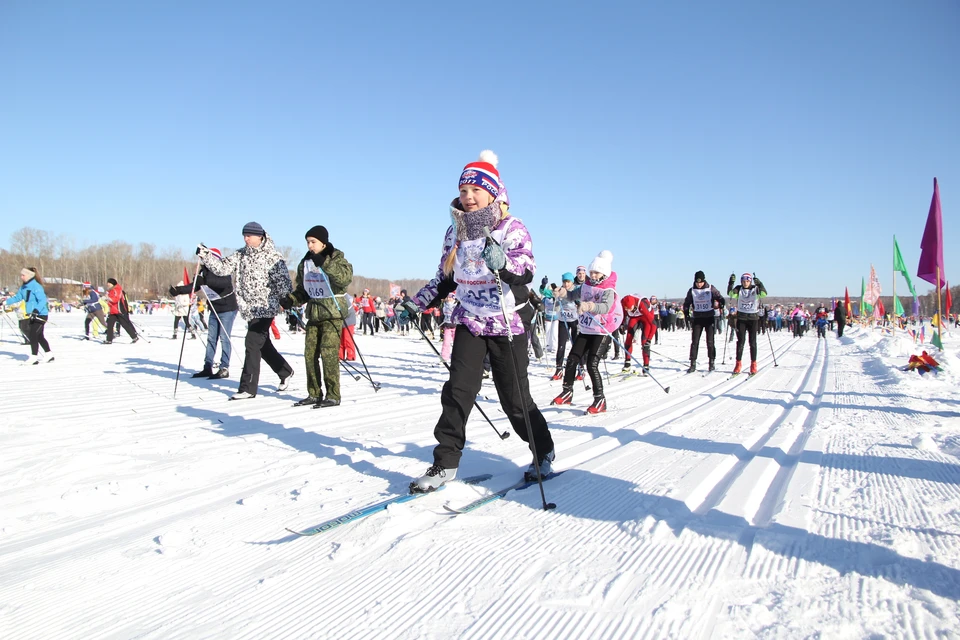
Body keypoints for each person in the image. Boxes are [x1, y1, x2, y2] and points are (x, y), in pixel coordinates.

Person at [407, 150, 555, 492]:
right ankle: (444, 463)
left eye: (475, 190)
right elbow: (445, 278)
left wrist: (503, 263)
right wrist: (416, 303)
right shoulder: (454, 232)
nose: (468, 197)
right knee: (458, 391)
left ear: (492, 193)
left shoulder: (511, 228)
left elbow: (525, 271)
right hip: (470, 321)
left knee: (515, 401)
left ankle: (543, 451)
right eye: (463, 191)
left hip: (506, 323)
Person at [198, 221, 294, 400]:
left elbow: (284, 284)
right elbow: (222, 268)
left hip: (266, 307)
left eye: (249, 235)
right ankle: (285, 371)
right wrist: (206, 255)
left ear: (260, 236)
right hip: (249, 308)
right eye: (244, 235)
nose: (246, 238)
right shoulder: (240, 255)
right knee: (262, 345)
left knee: (251, 342)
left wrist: (287, 301)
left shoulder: (272, 256)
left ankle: (247, 388)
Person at [283, 225, 353, 408]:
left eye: (313, 242)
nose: (310, 246)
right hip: (314, 314)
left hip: (333, 313)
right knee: (310, 354)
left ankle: (333, 395)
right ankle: (314, 393)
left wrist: (324, 262)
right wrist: (291, 300)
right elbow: (304, 290)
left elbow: (344, 279)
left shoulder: (337, 258)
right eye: (308, 242)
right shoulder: (305, 262)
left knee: (328, 353)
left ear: (323, 242)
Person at [551, 251, 622, 413]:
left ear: (604, 273)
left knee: (592, 364)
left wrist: (589, 306)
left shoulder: (608, 289)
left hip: (601, 330)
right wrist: (562, 293)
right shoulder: (586, 285)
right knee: (572, 359)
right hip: (586, 328)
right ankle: (567, 391)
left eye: (596, 272)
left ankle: (600, 399)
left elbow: (605, 307)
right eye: (591, 272)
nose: (593, 275)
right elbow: (572, 295)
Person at [169, 247, 238, 379]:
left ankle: (224, 367)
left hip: (227, 309)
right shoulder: (203, 271)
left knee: (224, 337)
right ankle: (207, 366)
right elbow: (194, 286)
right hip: (214, 309)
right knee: (211, 338)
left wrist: (206, 281)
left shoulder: (223, 268)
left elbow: (223, 283)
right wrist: (178, 290)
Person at [3, 267, 53, 364]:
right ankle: (49, 354)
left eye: (23, 275)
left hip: (40, 314)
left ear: (29, 276)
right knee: (39, 336)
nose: (21, 277)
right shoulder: (23, 287)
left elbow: (42, 300)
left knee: (33, 334)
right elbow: (18, 297)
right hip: (31, 314)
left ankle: (34, 357)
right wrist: (5, 302)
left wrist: (36, 311)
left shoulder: (36, 286)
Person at [682, 270, 724, 373]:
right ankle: (692, 363)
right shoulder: (692, 290)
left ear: (704, 280)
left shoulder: (710, 288)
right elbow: (687, 303)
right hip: (697, 319)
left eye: (700, 282)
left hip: (709, 317)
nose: (699, 284)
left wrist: (721, 303)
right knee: (695, 342)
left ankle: (711, 362)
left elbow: (720, 297)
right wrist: (686, 313)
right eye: (697, 282)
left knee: (710, 342)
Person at [727, 272, 767, 375]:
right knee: (740, 342)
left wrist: (760, 284)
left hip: (753, 318)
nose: (745, 283)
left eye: (747, 281)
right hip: (742, 318)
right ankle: (738, 363)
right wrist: (731, 282)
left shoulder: (755, 289)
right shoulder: (738, 289)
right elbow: (730, 294)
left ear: (750, 281)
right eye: (744, 281)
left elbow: (764, 294)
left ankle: (753, 364)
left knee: (752, 342)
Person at [551, 272, 580, 379]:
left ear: (572, 282)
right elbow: (557, 307)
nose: (566, 284)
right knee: (561, 345)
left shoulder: (576, 290)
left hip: (575, 320)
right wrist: (556, 299)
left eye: (568, 282)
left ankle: (581, 368)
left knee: (576, 345)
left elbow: (580, 302)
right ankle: (559, 369)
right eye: (564, 282)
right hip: (563, 320)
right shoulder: (560, 291)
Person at [620, 294, 656, 374]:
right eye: (627, 309)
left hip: (646, 317)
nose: (629, 311)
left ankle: (646, 366)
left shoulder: (642, 305)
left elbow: (654, 324)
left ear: (634, 305)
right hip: (634, 318)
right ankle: (627, 363)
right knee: (628, 338)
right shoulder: (623, 302)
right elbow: (623, 314)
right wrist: (621, 324)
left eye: (630, 309)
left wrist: (649, 340)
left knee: (644, 342)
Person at [104, 278, 139, 344]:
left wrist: (108, 298)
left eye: (109, 283)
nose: (108, 284)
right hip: (113, 311)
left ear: (112, 283)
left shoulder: (117, 289)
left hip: (119, 310)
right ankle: (109, 340)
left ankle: (134, 337)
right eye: (107, 283)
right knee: (110, 325)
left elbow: (116, 299)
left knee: (124, 324)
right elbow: (111, 301)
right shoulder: (111, 290)